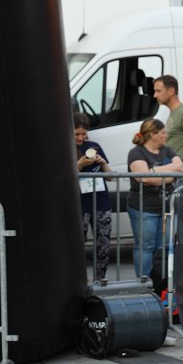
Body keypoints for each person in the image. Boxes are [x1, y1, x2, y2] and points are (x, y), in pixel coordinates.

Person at [126, 118, 183, 279]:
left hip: (167, 208)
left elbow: (180, 168)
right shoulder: (136, 153)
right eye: (163, 132)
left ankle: (160, 281)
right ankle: (144, 282)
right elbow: (144, 178)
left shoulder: (167, 150)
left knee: (163, 247)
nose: (166, 135)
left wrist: (155, 171)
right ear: (153, 134)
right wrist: (167, 175)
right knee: (145, 247)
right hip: (144, 208)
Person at [74, 113, 113, 282]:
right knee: (76, 244)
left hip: (101, 201)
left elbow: (110, 177)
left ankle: (100, 280)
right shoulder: (64, 147)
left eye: (84, 134)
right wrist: (80, 165)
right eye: (77, 134)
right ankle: (79, 280)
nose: (81, 138)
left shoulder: (94, 146)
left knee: (103, 244)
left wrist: (103, 163)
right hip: (79, 203)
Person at [153, 75, 183, 181]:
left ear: (171, 91)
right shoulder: (174, 112)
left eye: (158, 91)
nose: (155, 95)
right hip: (175, 173)